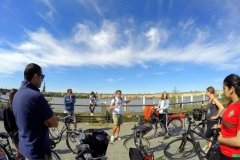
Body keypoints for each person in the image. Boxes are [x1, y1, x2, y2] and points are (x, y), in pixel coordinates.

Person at [13, 63, 58, 160]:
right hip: (38, 151)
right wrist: (45, 122)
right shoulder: (36, 96)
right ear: (35, 76)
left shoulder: (17, 95)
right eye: (42, 76)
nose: (42, 79)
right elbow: (55, 122)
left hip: (26, 148)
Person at [212, 74, 240, 160]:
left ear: (231, 89)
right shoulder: (231, 102)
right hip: (222, 149)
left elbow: (238, 141)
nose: (223, 91)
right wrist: (219, 126)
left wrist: (220, 139)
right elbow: (231, 123)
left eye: (224, 88)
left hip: (232, 155)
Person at [201, 86, 224, 153]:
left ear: (210, 91)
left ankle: (209, 147)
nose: (206, 93)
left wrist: (216, 116)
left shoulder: (214, 99)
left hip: (213, 120)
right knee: (210, 135)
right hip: (209, 119)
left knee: (207, 135)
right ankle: (208, 146)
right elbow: (209, 105)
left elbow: (221, 107)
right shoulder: (209, 99)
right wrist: (204, 105)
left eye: (206, 91)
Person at [3, 89, 23, 159]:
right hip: (14, 132)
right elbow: (10, 125)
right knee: (19, 151)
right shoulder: (8, 108)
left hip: (18, 131)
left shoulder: (15, 105)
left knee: (22, 151)